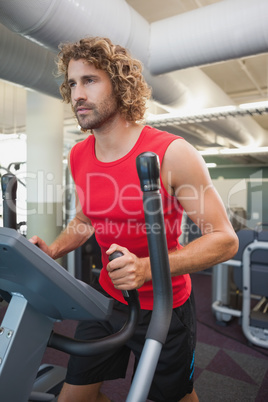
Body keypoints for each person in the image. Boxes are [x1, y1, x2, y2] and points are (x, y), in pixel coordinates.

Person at [30, 37, 238, 402]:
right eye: (72, 83)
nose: (77, 93)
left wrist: (144, 268)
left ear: (120, 85)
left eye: (90, 80)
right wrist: (54, 249)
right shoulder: (78, 155)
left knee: (174, 398)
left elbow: (225, 239)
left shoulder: (172, 153)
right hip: (108, 299)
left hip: (164, 305)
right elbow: (87, 216)